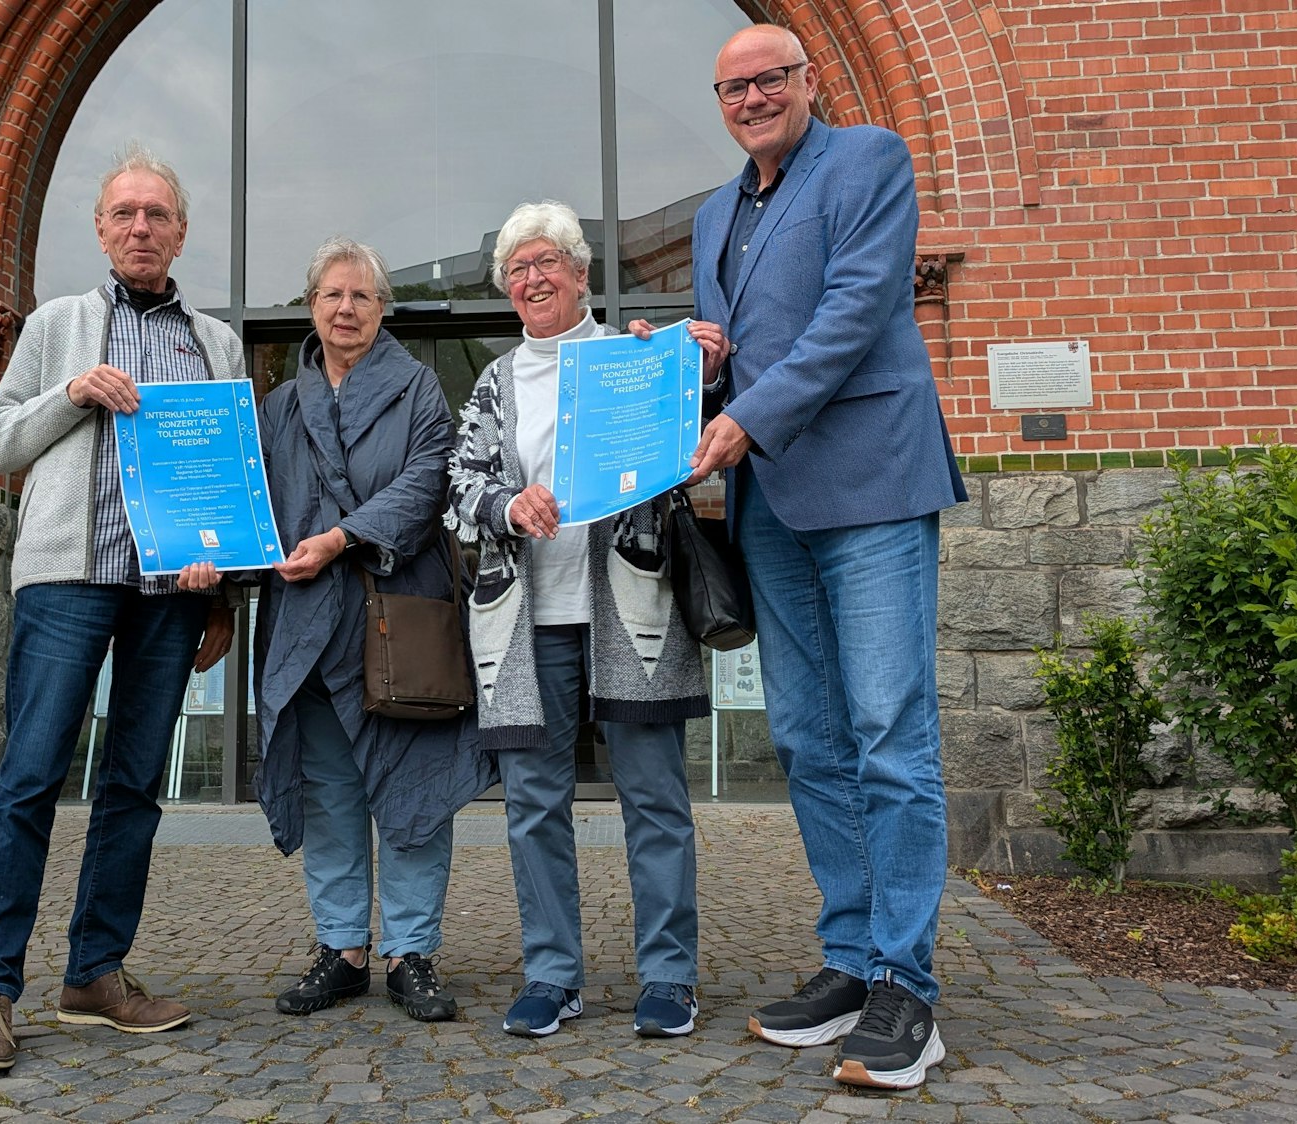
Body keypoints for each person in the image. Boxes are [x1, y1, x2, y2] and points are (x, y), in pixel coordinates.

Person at [687, 25, 969, 1090]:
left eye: (771, 77)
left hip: (869, 482)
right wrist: (694, 365)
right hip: (771, 501)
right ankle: (850, 959)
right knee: (807, 735)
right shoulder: (718, 211)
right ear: (720, 102)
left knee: (890, 729)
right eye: (734, 86)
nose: (754, 96)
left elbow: (857, 309)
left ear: (806, 81)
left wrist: (746, 413)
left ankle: (909, 986)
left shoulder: (868, 160)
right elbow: (738, 356)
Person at [0, 144, 241, 1073]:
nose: (141, 228)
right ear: (102, 229)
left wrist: (221, 580)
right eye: (125, 214)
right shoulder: (58, 324)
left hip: (168, 596)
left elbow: (226, 477)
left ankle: (95, 974)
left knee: (133, 787)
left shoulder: (217, 341)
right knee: (30, 778)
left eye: (157, 215)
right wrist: (73, 394)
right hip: (67, 582)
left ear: (181, 232)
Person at [446, 201, 728, 1040]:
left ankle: (669, 976)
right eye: (517, 270)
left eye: (546, 263)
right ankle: (551, 973)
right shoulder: (497, 381)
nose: (532, 279)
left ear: (579, 274)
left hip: (628, 609)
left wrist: (698, 371)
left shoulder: (629, 356)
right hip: (526, 625)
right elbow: (459, 488)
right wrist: (506, 500)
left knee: (654, 800)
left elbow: (691, 436)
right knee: (533, 803)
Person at [247, 237, 494, 1023]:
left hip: (397, 621)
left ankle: (410, 952)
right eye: (331, 295)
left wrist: (342, 537)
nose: (346, 308)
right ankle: (343, 949)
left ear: (381, 309)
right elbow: (253, 498)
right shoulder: (281, 403)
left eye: (361, 296)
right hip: (308, 624)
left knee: (414, 785)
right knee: (329, 792)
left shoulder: (419, 388)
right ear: (310, 308)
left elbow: (429, 484)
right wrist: (216, 558)